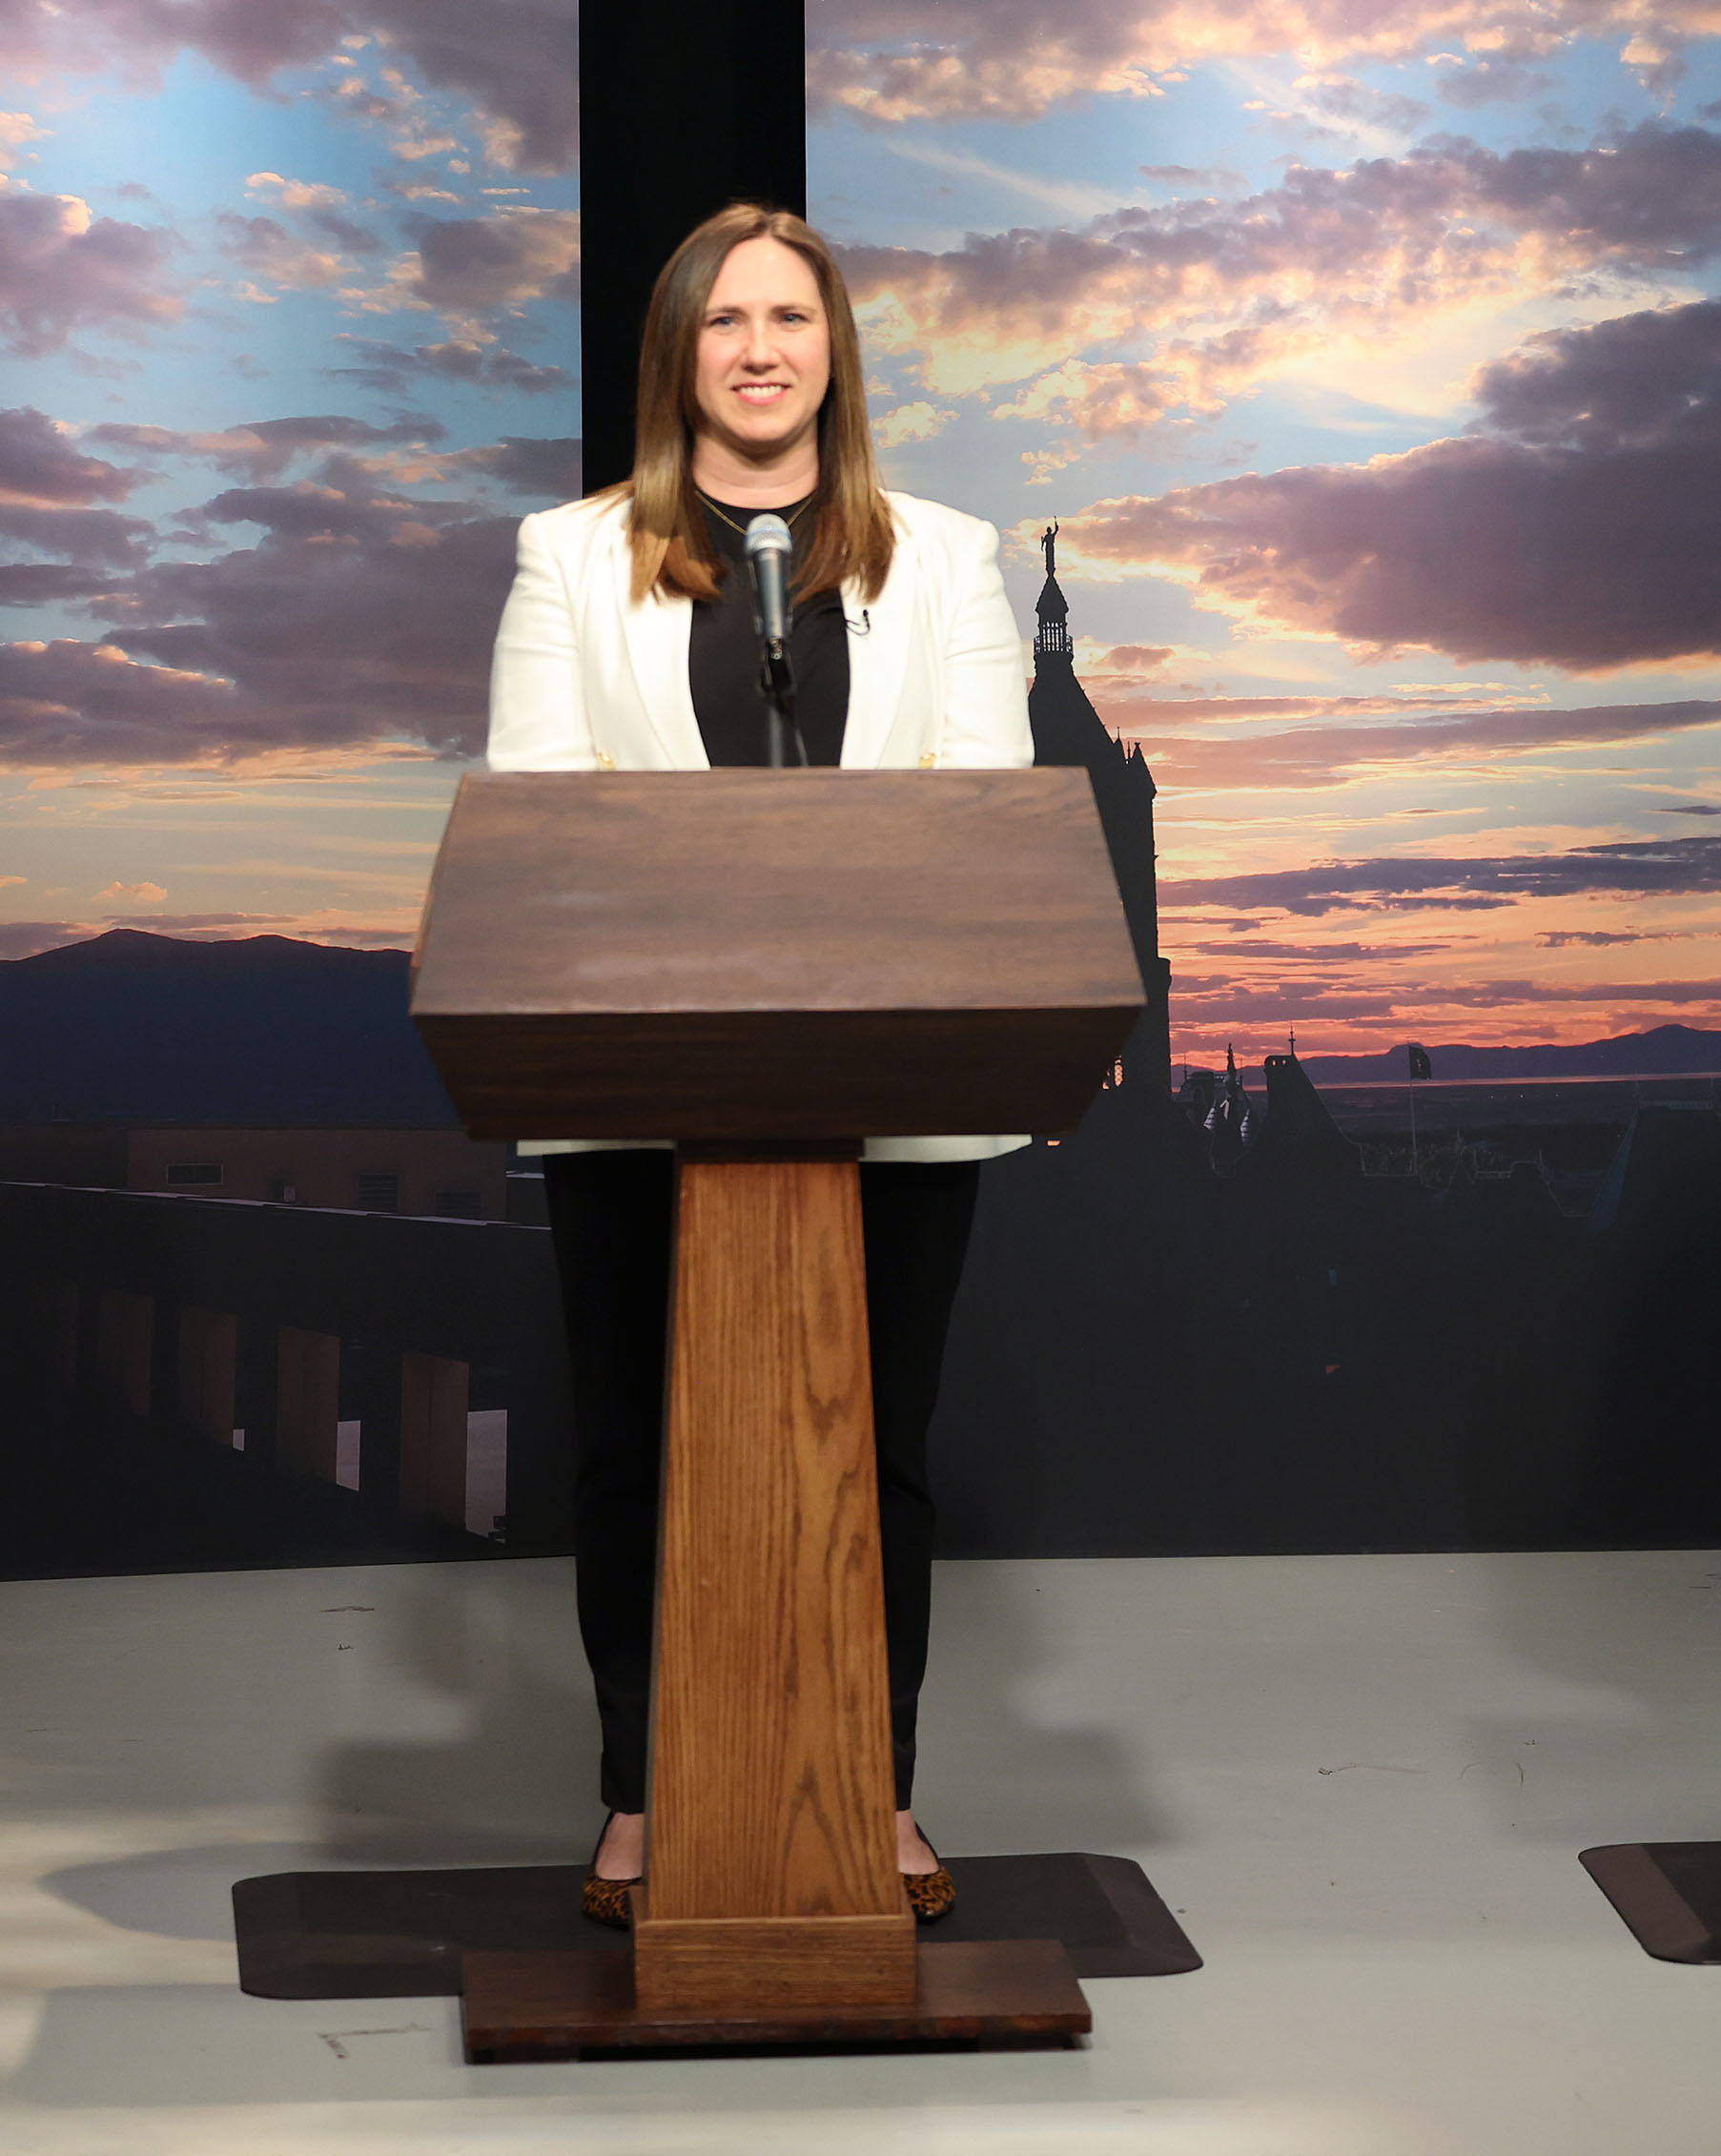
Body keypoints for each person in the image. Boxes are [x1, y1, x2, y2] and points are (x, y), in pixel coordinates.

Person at [484, 202, 1031, 1923]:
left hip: (897, 1090)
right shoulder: (568, 556)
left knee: (887, 1450)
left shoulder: (942, 553)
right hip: (638, 1087)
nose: (759, 348)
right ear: (680, 357)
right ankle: (642, 1790)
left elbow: (985, 804)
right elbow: (541, 824)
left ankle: (873, 1787)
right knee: (634, 1452)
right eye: (724, 320)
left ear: (833, 351)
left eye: (791, 316)